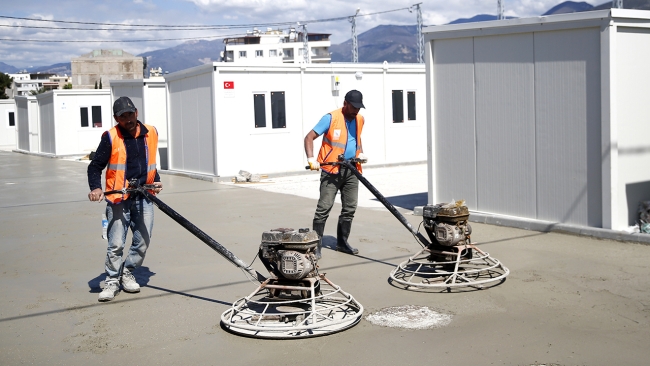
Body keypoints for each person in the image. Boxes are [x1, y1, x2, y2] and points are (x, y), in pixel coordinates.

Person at [87, 96, 163, 302]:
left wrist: (156, 180)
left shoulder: (151, 133)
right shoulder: (110, 137)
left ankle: (128, 272)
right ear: (116, 118)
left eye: (130, 114)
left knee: (143, 240)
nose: (128, 119)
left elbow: (150, 161)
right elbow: (94, 166)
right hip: (119, 197)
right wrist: (95, 187)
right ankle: (112, 281)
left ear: (136, 112)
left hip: (144, 195)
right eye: (123, 117)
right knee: (116, 243)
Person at [304, 90, 368, 258]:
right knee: (323, 208)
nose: (356, 111)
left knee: (350, 208)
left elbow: (355, 140)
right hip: (331, 170)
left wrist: (359, 154)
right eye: (353, 107)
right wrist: (311, 159)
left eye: (359, 108)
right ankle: (316, 246)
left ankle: (342, 243)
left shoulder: (360, 119)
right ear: (345, 103)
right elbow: (309, 137)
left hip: (352, 169)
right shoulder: (330, 118)